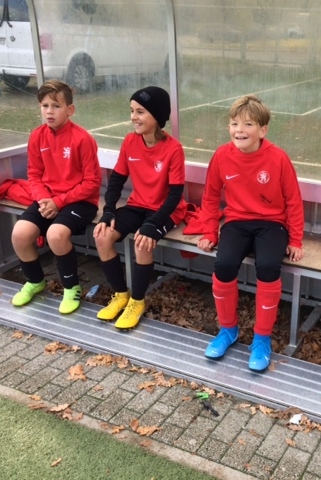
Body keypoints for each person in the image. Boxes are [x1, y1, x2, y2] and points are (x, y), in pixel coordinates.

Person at [196, 94, 304, 372]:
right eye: (234, 124)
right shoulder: (222, 155)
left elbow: (293, 201)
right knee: (224, 265)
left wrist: (295, 239)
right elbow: (210, 197)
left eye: (248, 124)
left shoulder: (278, 158)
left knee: (267, 266)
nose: (239, 130)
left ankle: (262, 338)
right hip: (237, 221)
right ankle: (228, 330)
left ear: (262, 130)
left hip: (272, 223)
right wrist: (210, 231)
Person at [93, 86, 187, 330]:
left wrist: (152, 223)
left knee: (142, 241)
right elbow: (116, 181)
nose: (133, 117)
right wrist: (109, 211)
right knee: (102, 236)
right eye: (132, 111)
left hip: (166, 210)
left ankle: (137, 301)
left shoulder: (174, 148)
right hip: (138, 205)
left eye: (140, 112)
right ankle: (120, 295)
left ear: (157, 116)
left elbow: (175, 196)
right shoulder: (129, 141)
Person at [11, 80, 101, 314]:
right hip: (47, 200)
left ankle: (71, 288)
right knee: (20, 234)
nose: (49, 111)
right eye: (45, 106)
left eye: (56, 106)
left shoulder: (82, 139)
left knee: (56, 234)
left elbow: (92, 183)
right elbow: (34, 174)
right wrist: (43, 200)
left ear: (70, 110)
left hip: (81, 201)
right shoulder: (37, 136)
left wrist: (58, 202)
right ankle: (35, 281)